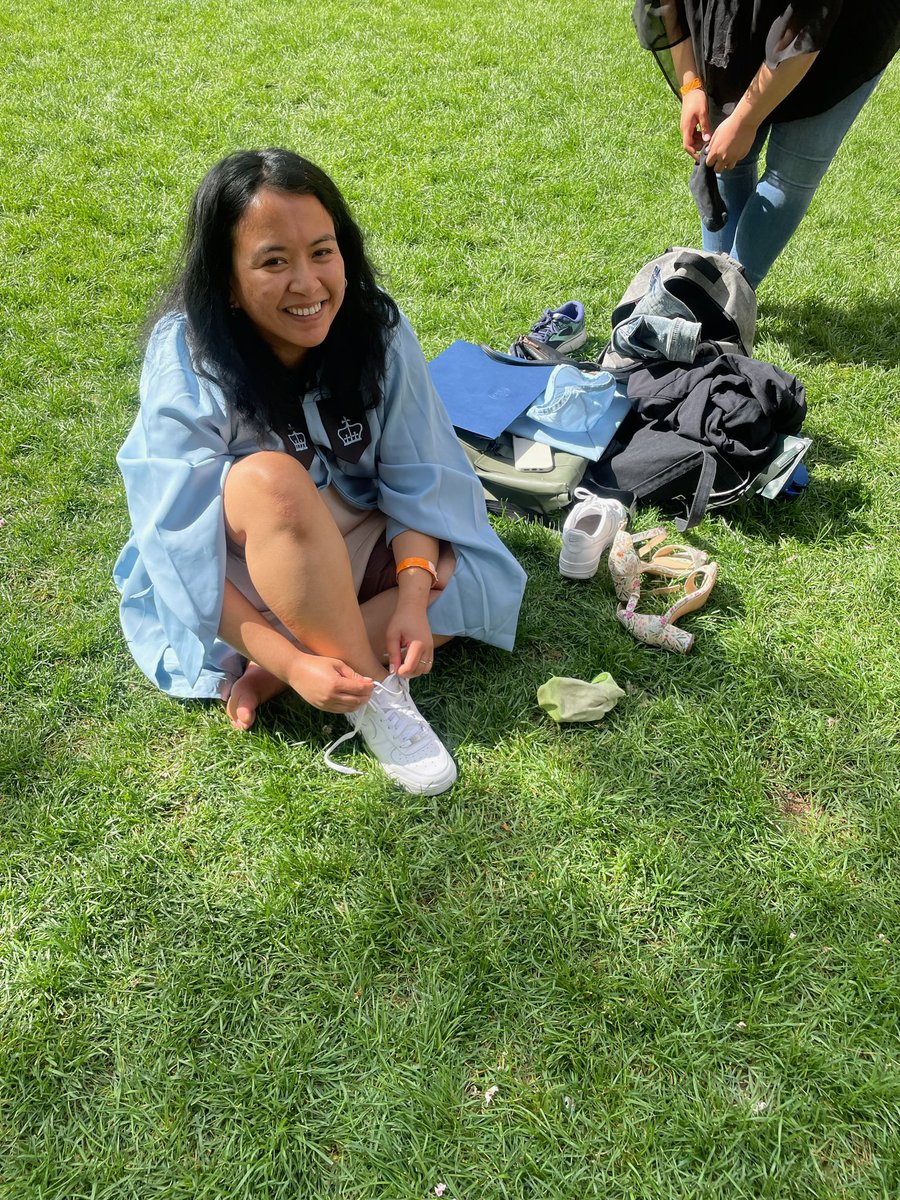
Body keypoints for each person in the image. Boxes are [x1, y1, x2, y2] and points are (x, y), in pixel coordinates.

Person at [114, 148, 526, 796]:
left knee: (466, 573)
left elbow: (421, 476)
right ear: (227, 279)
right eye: (274, 261)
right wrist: (285, 654)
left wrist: (413, 597)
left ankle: (287, 671)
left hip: (353, 536)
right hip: (243, 566)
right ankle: (374, 699)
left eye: (322, 252)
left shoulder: (376, 328)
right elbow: (177, 545)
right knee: (274, 482)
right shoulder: (187, 356)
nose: (307, 284)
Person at [633, 1, 900, 287]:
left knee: (790, 174)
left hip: (838, 36)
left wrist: (745, 121)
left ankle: (726, 302)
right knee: (727, 162)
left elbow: (808, 24)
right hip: (738, 27)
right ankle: (715, 292)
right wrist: (690, 85)